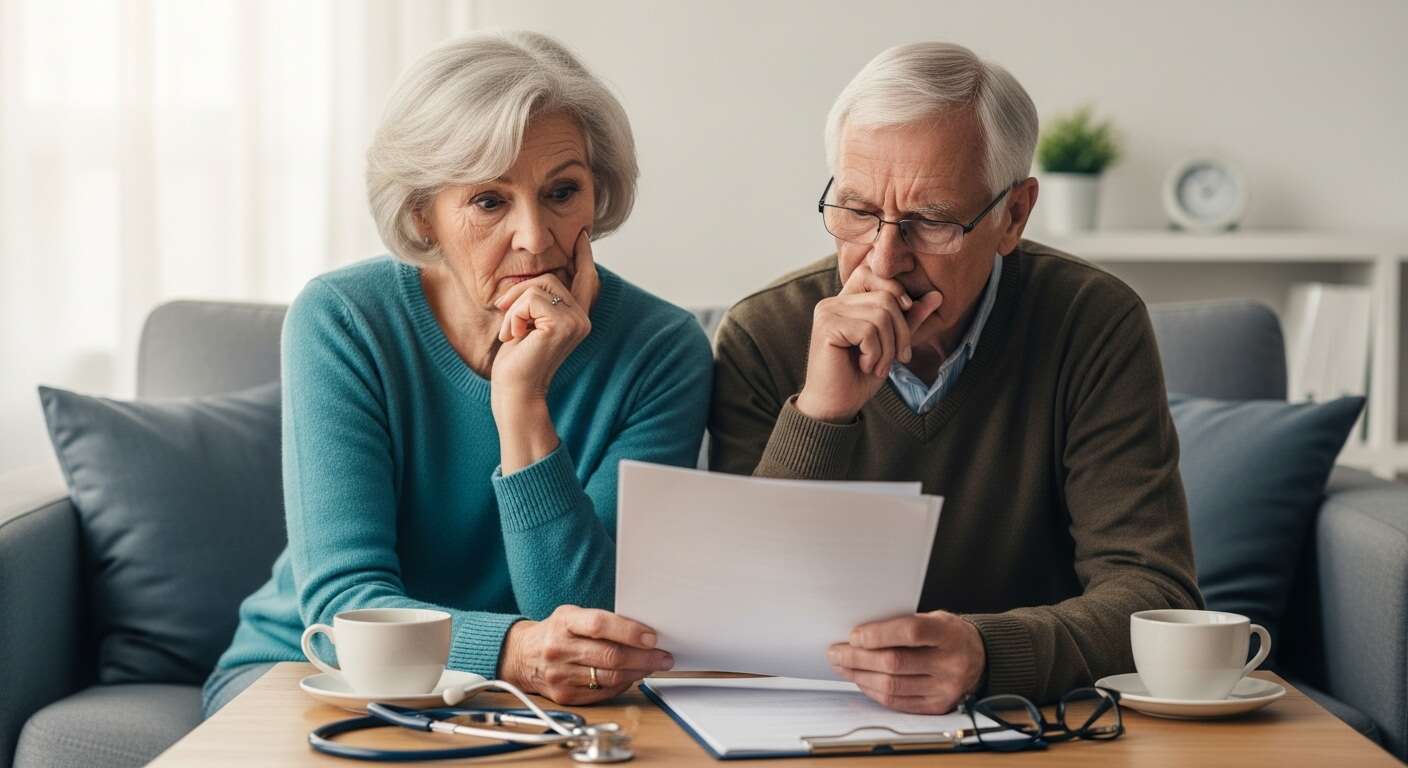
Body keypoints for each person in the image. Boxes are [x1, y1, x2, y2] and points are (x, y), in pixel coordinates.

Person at [202, 31, 709, 717]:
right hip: (313, 670)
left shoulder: (662, 348)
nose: (535, 236)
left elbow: (591, 630)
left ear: (600, 193)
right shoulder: (343, 318)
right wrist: (516, 650)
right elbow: (345, 602)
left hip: (535, 703)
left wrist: (522, 401)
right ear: (423, 213)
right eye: (490, 201)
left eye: (563, 191)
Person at [709, 41, 1202, 714]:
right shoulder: (765, 333)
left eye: (930, 221)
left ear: (1014, 215)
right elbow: (731, 610)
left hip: (1028, 721)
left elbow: (1155, 596)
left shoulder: (1094, 322)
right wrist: (821, 413)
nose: (883, 260)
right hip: (807, 715)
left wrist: (986, 653)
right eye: (855, 211)